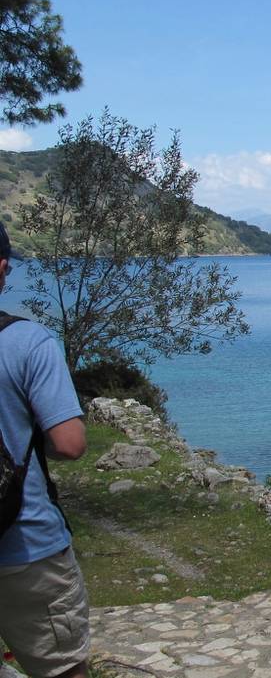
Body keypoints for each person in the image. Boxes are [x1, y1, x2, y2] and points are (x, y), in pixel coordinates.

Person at [0, 221, 90, 678]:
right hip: (24, 544)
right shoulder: (25, 341)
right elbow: (70, 444)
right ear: (1, 269)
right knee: (62, 669)